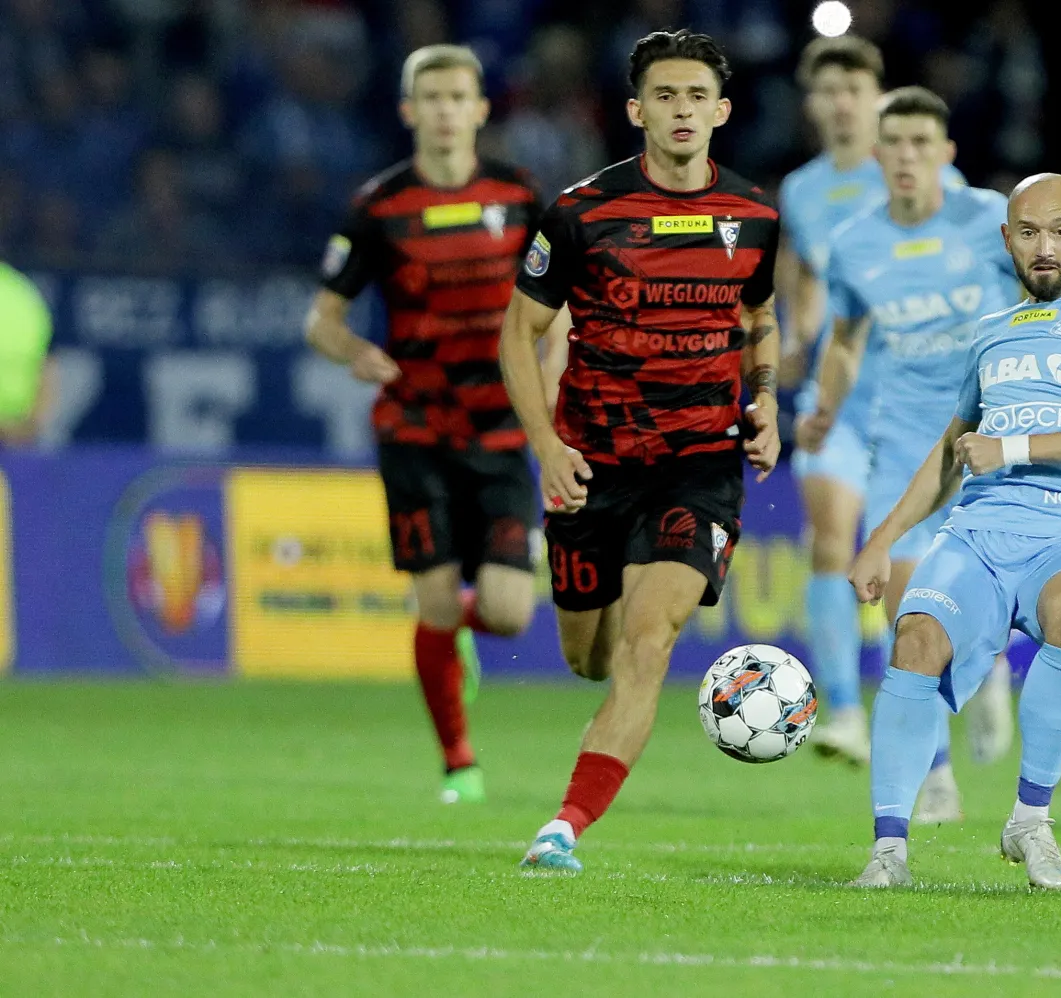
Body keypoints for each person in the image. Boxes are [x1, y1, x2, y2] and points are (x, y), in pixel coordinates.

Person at [498, 29, 782, 874]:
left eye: (697, 96)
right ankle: (611, 647)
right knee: (589, 657)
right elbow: (520, 332)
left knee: (649, 641)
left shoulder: (754, 216)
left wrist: (764, 398)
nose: (682, 110)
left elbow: (758, 319)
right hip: (592, 464)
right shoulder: (580, 213)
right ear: (636, 111)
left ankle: (563, 828)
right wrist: (545, 444)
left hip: (700, 463)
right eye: (665, 96)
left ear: (722, 111)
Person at [847, 173, 1061, 890]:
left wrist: (1014, 449)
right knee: (916, 637)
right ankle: (889, 849)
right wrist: (883, 538)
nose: (1044, 247)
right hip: (980, 530)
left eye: (1059, 231)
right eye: (1028, 233)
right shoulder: (990, 334)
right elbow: (952, 450)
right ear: (1007, 240)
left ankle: (1029, 820)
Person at [304, 44, 567, 807]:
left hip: (500, 427)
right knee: (435, 604)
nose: (448, 110)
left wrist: (550, 372)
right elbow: (321, 318)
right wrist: (354, 350)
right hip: (415, 425)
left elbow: (564, 303)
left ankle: (460, 636)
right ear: (409, 110)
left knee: (510, 614)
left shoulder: (519, 196)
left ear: (482, 110)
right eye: (434, 97)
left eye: (461, 97)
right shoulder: (379, 205)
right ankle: (459, 762)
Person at [778, 38, 1003, 768]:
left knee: (915, 580)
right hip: (842, 401)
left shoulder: (930, 177)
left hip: (922, 403)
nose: (842, 103)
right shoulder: (805, 192)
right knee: (831, 538)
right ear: (812, 103)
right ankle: (844, 710)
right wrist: (793, 337)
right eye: (828, 90)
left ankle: (981, 670)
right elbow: (806, 277)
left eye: (855, 88)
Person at [0, 262, 54, 446]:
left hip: (15, 437)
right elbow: (49, 367)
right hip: (16, 433)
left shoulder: (21, 293)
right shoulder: (23, 291)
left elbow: (47, 365)